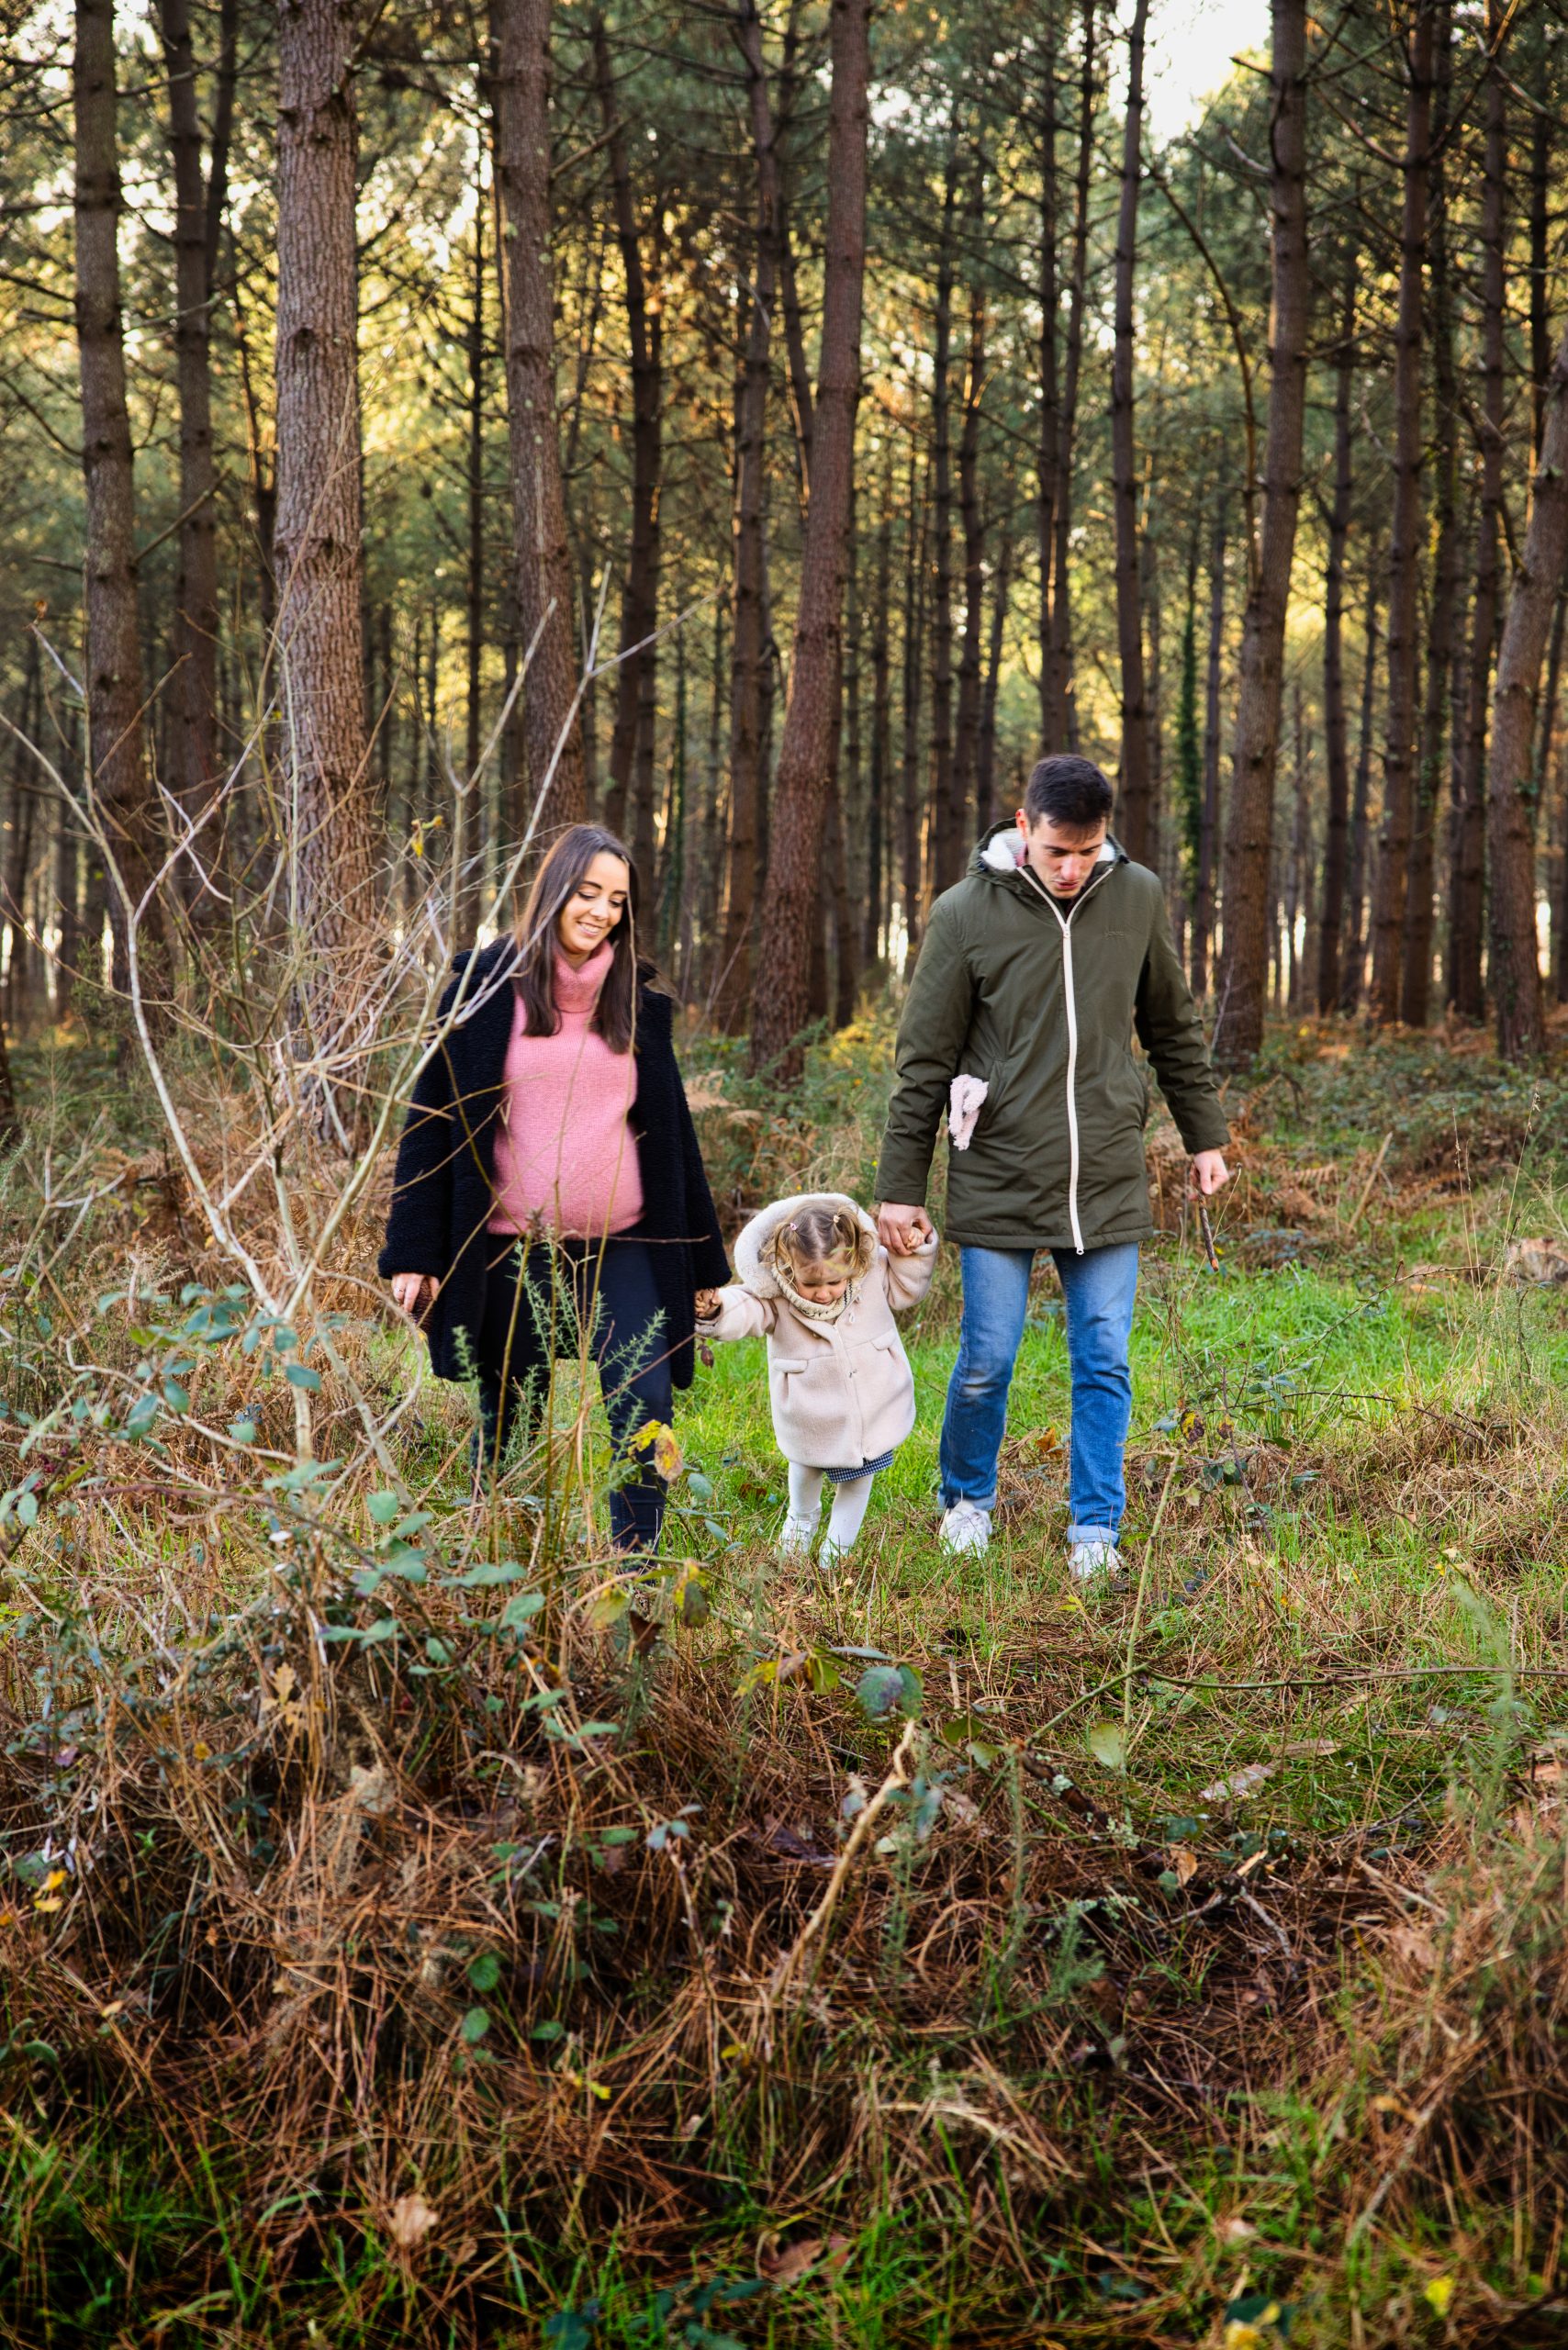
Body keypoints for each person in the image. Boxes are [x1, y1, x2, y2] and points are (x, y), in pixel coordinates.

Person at [872, 754, 1231, 1580]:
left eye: (1086, 850)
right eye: (1056, 850)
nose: (1070, 869)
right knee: (987, 1357)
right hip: (998, 1167)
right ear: (1023, 826)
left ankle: (1095, 1528)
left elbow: (1171, 1025)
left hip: (1105, 1170)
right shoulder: (964, 914)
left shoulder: (1136, 896)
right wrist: (898, 1188)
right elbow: (922, 1059)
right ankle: (966, 1502)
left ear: (1105, 836)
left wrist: (1203, 1137)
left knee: (1104, 1354)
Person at [379, 822, 730, 1559]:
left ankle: (633, 1572)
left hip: (622, 1245)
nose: (601, 911)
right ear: (554, 890)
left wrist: (705, 1269)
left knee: (647, 1404)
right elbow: (430, 1125)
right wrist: (412, 1250)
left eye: (616, 900)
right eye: (587, 892)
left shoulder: (636, 1003)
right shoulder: (482, 991)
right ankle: (496, 1569)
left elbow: (673, 1141)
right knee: (508, 1415)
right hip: (513, 1248)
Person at [694, 1192, 937, 1569]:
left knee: (859, 1479)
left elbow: (908, 1286)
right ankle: (802, 1518)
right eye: (811, 1284)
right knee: (805, 1469)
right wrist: (716, 1307)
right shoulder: (776, 1296)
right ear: (788, 1270)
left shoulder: (870, 1275)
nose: (823, 1293)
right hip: (809, 1413)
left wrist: (911, 1251)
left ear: (854, 1262)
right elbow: (745, 1307)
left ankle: (835, 1554)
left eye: (834, 1282)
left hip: (870, 1406)